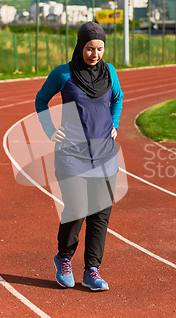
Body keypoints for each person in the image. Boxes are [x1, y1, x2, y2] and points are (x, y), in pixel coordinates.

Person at [35, 21, 124, 291]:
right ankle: (64, 258)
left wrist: (115, 124)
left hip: (104, 154)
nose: (95, 54)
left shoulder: (109, 72)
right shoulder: (63, 74)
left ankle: (92, 269)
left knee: (99, 214)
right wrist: (51, 130)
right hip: (72, 154)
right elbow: (40, 100)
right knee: (76, 209)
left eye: (99, 49)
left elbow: (117, 98)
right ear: (79, 46)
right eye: (89, 48)